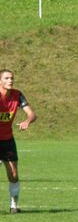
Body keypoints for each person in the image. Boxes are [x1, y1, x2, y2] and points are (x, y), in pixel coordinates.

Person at [0, 69, 37, 214]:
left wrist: (27, 121)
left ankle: (13, 206)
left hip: (7, 140)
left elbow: (32, 114)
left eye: (12, 78)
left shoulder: (17, 95)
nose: (10, 81)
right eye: (6, 78)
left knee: (14, 174)